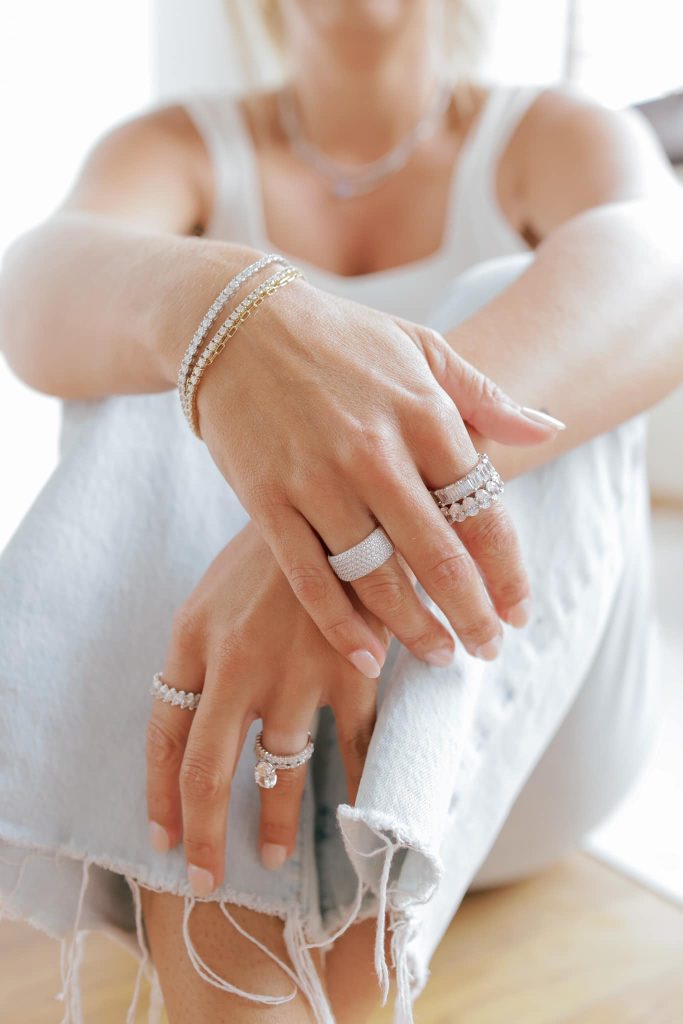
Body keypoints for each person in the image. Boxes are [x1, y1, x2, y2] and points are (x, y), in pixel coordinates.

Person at [0, 1, 682, 1022]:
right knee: (156, 352)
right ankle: (242, 992)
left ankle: (322, 974)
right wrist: (234, 322)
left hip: (517, 742)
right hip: (221, 764)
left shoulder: (548, 135)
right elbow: (36, 293)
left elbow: (661, 267)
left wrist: (320, 525)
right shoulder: (177, 149)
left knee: (527, 302)